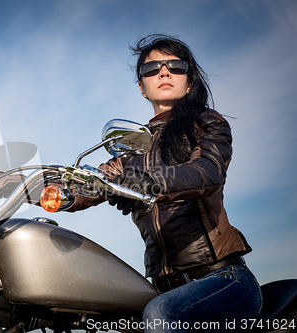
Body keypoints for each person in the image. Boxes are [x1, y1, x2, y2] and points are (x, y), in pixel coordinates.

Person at [69, 34, 263, 332]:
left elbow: (207, 172)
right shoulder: (129, 148)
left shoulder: (207, 122)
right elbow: (90, 184)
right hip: (161, 287)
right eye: (152, 69)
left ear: (189, 81)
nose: (163, 72)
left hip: (222, 280)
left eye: (175, 65)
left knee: (161, 313)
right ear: (142, 88)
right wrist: (20, 186)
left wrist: (148, 183)